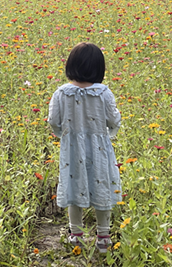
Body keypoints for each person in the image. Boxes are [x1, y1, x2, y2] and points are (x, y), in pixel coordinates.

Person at [48, 42, 121, 254]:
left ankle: (76, 236)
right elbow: (114, 119)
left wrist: (64, 134)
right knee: (102, 186)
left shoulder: (61, 93)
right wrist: (107, 132)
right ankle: (103, 238)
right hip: (99, 149)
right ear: (99, 68)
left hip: (71, 149)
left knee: (73, 185)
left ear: (71, 65)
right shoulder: (104, 93)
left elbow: (53, 120)